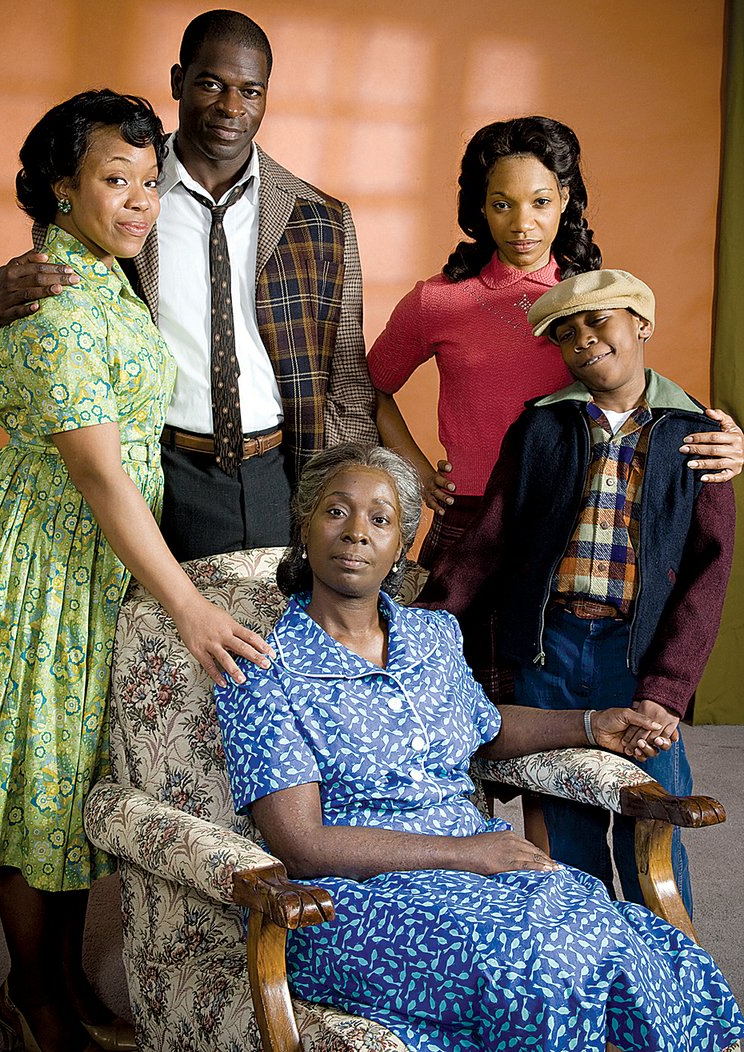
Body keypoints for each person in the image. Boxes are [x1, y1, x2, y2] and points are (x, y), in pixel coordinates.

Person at [215, 442, 744, 1052]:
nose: (357, 532)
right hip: (358, 896)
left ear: (400, 547)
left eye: (381, 520)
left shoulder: (431, 634)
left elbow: (486, 728)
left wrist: (590, 723)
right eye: (337, 512)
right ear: (304, 527)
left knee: (620, 939)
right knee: (542, 968)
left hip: (485, 871)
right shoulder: (262, 669)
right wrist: (469, 853)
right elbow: (303, 845)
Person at [0, 90, 272, 1052]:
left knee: (80, 769)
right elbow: (93, 468)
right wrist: (189, 610)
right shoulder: (51, 297)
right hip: (48, 558)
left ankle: (53, 984)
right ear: (60, 187)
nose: (137, 202)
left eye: (145, 181)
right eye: (112, 180)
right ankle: (32, 999)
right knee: (32, 778)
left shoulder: (100, 271)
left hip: (99, 554)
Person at [0, 9, 378, 564]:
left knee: (272, 641)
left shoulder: (319, 219)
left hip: (284, 471)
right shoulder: (119, 202)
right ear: (179, 81)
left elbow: (345, 377)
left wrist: (357, 497)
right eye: (211, 84)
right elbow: (48, 303)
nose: (231, 107)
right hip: (159, 472)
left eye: (251, 91)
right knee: (156, 642)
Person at [418, 270, 736, 918]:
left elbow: (710, 572)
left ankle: (664, 965)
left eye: (599, 321)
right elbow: (488, 544)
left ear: (640, 325)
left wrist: (667, 689)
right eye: (567, 334)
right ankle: (590, 960)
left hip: (638, 658)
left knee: (652, 813)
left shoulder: (696, 434)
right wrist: (422, 628)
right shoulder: (541, 428)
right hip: (549, 650)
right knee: (567, 820)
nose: (584, 340)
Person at [367, 116, 743, 573]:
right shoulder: (437, 301)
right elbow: (370, 387)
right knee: (447, 644)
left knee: (554, 647)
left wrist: (720, 439)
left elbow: (635, 396)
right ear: (480, 207)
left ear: (565, 199)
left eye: (541, 202)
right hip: (469, 517)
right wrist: (419, 473)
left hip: (580, 515)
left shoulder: (597, 300)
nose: (522, 224)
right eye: (502, 204)